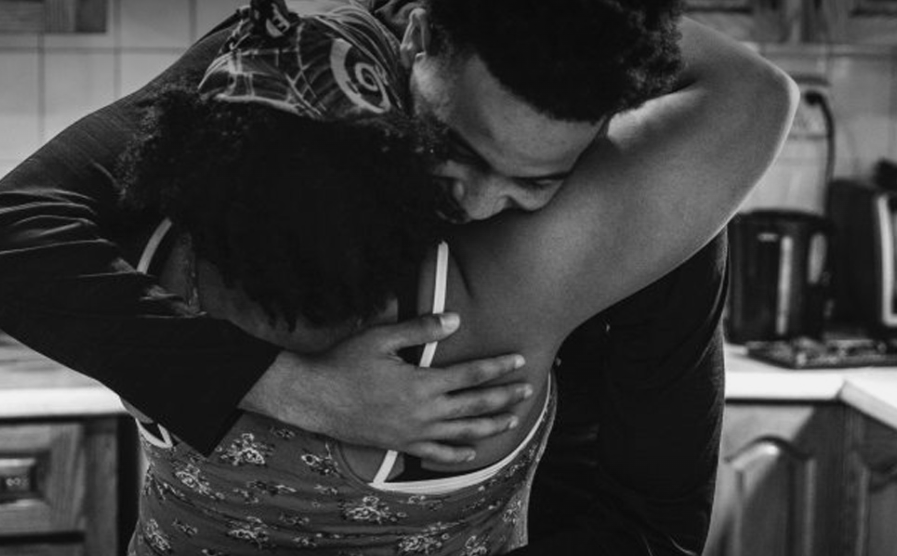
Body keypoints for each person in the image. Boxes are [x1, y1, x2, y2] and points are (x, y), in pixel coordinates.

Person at [0, 0, 797, 553]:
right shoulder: (522, 272)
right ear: (414, 36)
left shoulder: (176, 221)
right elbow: (753, 93)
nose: (480, 205)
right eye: (453, 150)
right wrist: (292, 386)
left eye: (535, 184)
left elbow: (657, 519)